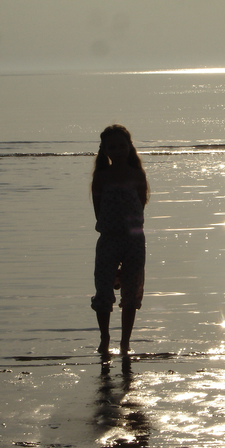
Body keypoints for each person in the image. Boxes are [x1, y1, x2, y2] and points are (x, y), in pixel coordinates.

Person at [90, 125, 149, 359]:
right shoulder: (102, 176)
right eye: (111, 147)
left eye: (121, 146)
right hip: (109, 240)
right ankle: (105, 338)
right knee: (103, 291)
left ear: (129, 147)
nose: (117, 151)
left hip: (134, 241)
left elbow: (141, 204)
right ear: (104, 150)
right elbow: (98, 211)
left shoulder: (137, 175)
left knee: (131, 292)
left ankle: (125, 342)